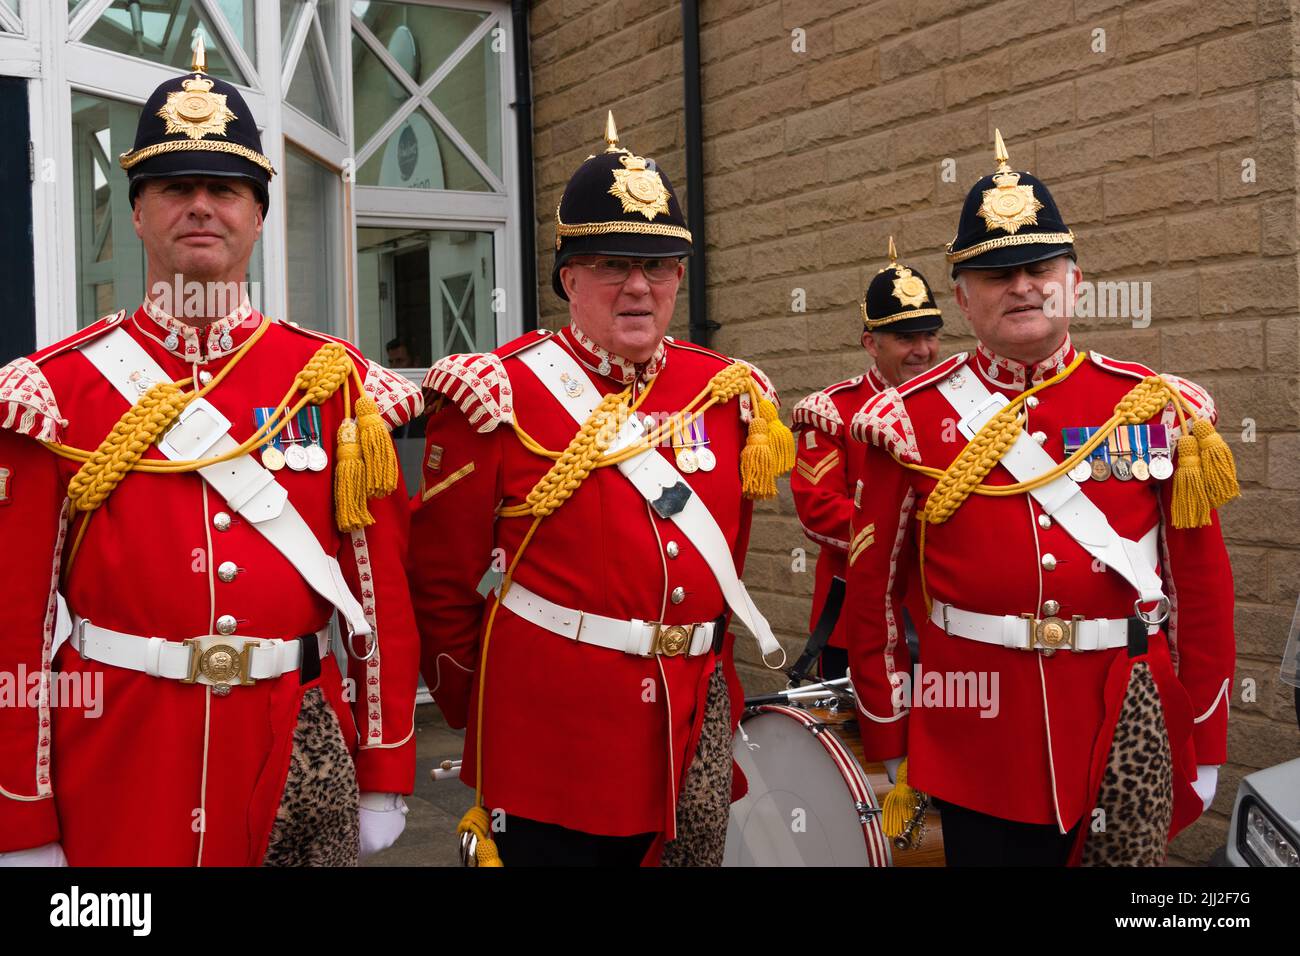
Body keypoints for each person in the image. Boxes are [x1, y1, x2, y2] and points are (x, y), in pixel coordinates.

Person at [0, 40, 422, 866]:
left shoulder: (332, 384)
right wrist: (22, 809)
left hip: (291, 754)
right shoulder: (55, 391)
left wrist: (384, 764)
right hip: (116, 760)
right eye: (174, 188)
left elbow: (378, 597)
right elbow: (14, 628)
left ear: (258, 214)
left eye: (224, 189)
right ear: (137, 213)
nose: (201, 207)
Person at [842, 131, 1236, 866]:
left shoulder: (1153, 408)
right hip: (973, 738)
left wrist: (1205, 736)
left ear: (1074, 282)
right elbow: (874, 599)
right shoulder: (908, 421)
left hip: (1124, 728)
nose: (1022, 286)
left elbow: (1201, 590)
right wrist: (890, 736)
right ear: (962, 297)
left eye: (1038, 267)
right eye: (996, 275)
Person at [408, 114, 792, 866]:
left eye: (660, 266)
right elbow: (445, 578)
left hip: (690, 722)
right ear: (569, 277)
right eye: (614, 264)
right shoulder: (500, 393)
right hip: (556, 737)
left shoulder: (726, 392)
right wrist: (475, 707)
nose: (639, 286)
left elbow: (723, 564)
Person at [789, 238, 941, 680]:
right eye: (905, 338)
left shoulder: (959, 404)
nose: (923, 350)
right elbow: (819, 512)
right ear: (871, 344)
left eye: (930, 335)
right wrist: (921, 533)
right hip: (858, 621)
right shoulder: (832, 410)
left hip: (946, 617)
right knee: (862, 745)